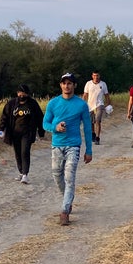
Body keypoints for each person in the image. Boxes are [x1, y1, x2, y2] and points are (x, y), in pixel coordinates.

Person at [44, 72, 93, 225]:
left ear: (74, 85)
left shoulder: (81, 105)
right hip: (57, 146)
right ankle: (68, 199)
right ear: (60, 85)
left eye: (70, 83)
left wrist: (89, 150)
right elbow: (45, 123)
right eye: (64, 83)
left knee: (69, 176)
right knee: (57, 176)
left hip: (73, 145)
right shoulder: (53, 103)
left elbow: (87, 128)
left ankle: (65, 211)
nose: (67, 86)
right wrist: (55, 127)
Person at [0, 84, 44, 184]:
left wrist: (41, 131)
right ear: (17, 93)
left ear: (27, 94)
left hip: (28, 132)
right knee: (17, 153)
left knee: (25, 152)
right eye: (19, 93)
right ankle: (21, 172)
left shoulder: (32, 104)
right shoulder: (12, 104)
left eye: (23, 93)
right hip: (14, 133)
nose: (21, 95)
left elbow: (39, 118)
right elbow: (4, 117)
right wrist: (1, 129)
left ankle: (25, 174)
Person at [81, 71, 111, 144]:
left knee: (98, 120)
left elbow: (107, 95)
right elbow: (85, 95)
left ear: (99, 76)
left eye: (97, 75)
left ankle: (97, 137)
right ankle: (93, 133)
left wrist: (108, 104)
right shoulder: (88, 84)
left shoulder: (103, 84)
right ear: (92, 76)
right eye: (94, 75)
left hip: (99, 104)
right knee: (91, 122)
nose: (96, 77)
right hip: (90, 105)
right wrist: (81, 104)